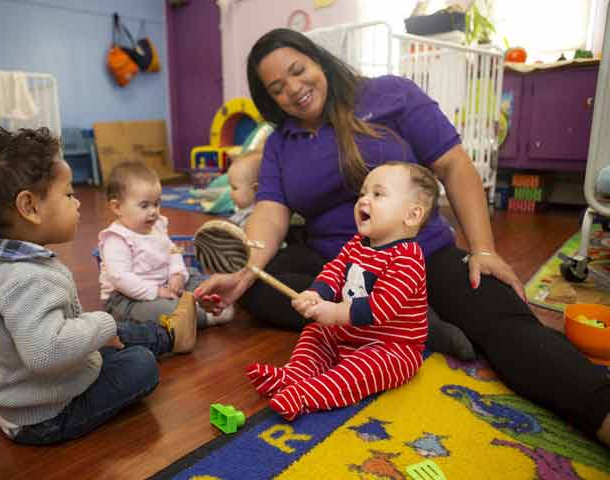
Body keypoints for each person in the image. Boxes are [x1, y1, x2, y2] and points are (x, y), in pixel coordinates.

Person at [195, 28, 610, 445]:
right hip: (342, 266)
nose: (295, 91)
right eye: (278, 89)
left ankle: (600, 408)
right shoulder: (283, 142)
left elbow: (454, 165)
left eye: (299, 71)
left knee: (503, 322)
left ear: (318, 59)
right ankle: (414, 324)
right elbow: (270, 211)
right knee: (260, 287)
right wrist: (246, 271)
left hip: (421, 255)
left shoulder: (391, 94)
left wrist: (483, 249)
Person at [0, 126, 195, 445]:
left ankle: (168, 335)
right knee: (140, 365)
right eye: (69, 194)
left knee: (107, 331)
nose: (77, 204)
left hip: (23, 396)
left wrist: (98, 329)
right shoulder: (26, 280)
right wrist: (101, 325)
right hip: (46, 414)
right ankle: (168, 337)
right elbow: (47, 351)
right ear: (30, 207)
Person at [247, 162, 436, 420]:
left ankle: (307, 395)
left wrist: (335, 312)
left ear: (412, 216)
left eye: (377, 194)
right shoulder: (358, 244)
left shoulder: (408, 259)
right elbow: (335, 271)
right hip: (347, 333)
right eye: (363, 194)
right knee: (315, 331)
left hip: (390, 348)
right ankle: (295, 373)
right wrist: (317, 294)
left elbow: (381, 307)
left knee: (362, 370)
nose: (364, 201)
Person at [99, 161, 233, 329]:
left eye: (157, 203)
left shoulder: (157, 226)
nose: (154, 211)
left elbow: (173, 251)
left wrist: (176, 274)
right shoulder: (117, 239)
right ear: (117, 207)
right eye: (145, 205)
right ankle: (201, 315)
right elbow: (121, 278)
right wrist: (157, 292)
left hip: (164, 283)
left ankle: (209, 300)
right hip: (128, 299)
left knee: (194, 276)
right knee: (165, 312)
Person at [227, 149, 262, 228]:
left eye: (235, 188)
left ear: (256, 189)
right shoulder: (243, 210)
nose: (230, 193)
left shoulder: (254, 218)